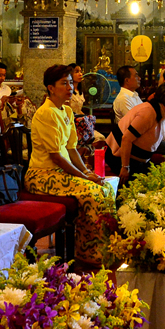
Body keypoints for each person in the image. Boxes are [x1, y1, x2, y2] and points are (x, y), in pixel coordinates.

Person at [25, 64, 114, 265]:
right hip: (42, 175)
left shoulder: (66, 110)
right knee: (92, 192)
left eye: (71, 83)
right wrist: (83, 177)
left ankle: (107, 249)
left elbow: (72, 148)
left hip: (61, 173)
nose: (70, 88)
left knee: (105, 187)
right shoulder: (46, 113)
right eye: (64, 83)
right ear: (51, 88)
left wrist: (86, 171)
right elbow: (57, 157)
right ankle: (89, 254)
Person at [105, 80, 165, 181]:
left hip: (139, 160)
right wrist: (125, 167)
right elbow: (126, 139)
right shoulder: (148, 112)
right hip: (119, 158)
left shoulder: (160, 112)